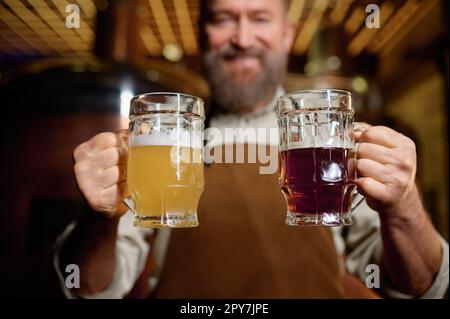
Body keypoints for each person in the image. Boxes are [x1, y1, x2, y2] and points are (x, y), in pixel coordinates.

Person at [54, 0, 448, 298]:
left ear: (287, 36)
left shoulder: (328, 138)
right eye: (224, 19)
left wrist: (404, 208)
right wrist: (97, 219)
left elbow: (421, 286)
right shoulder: (171, 138)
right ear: (202, 32)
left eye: (259, 18)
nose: (242, 39)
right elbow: (90, 289)